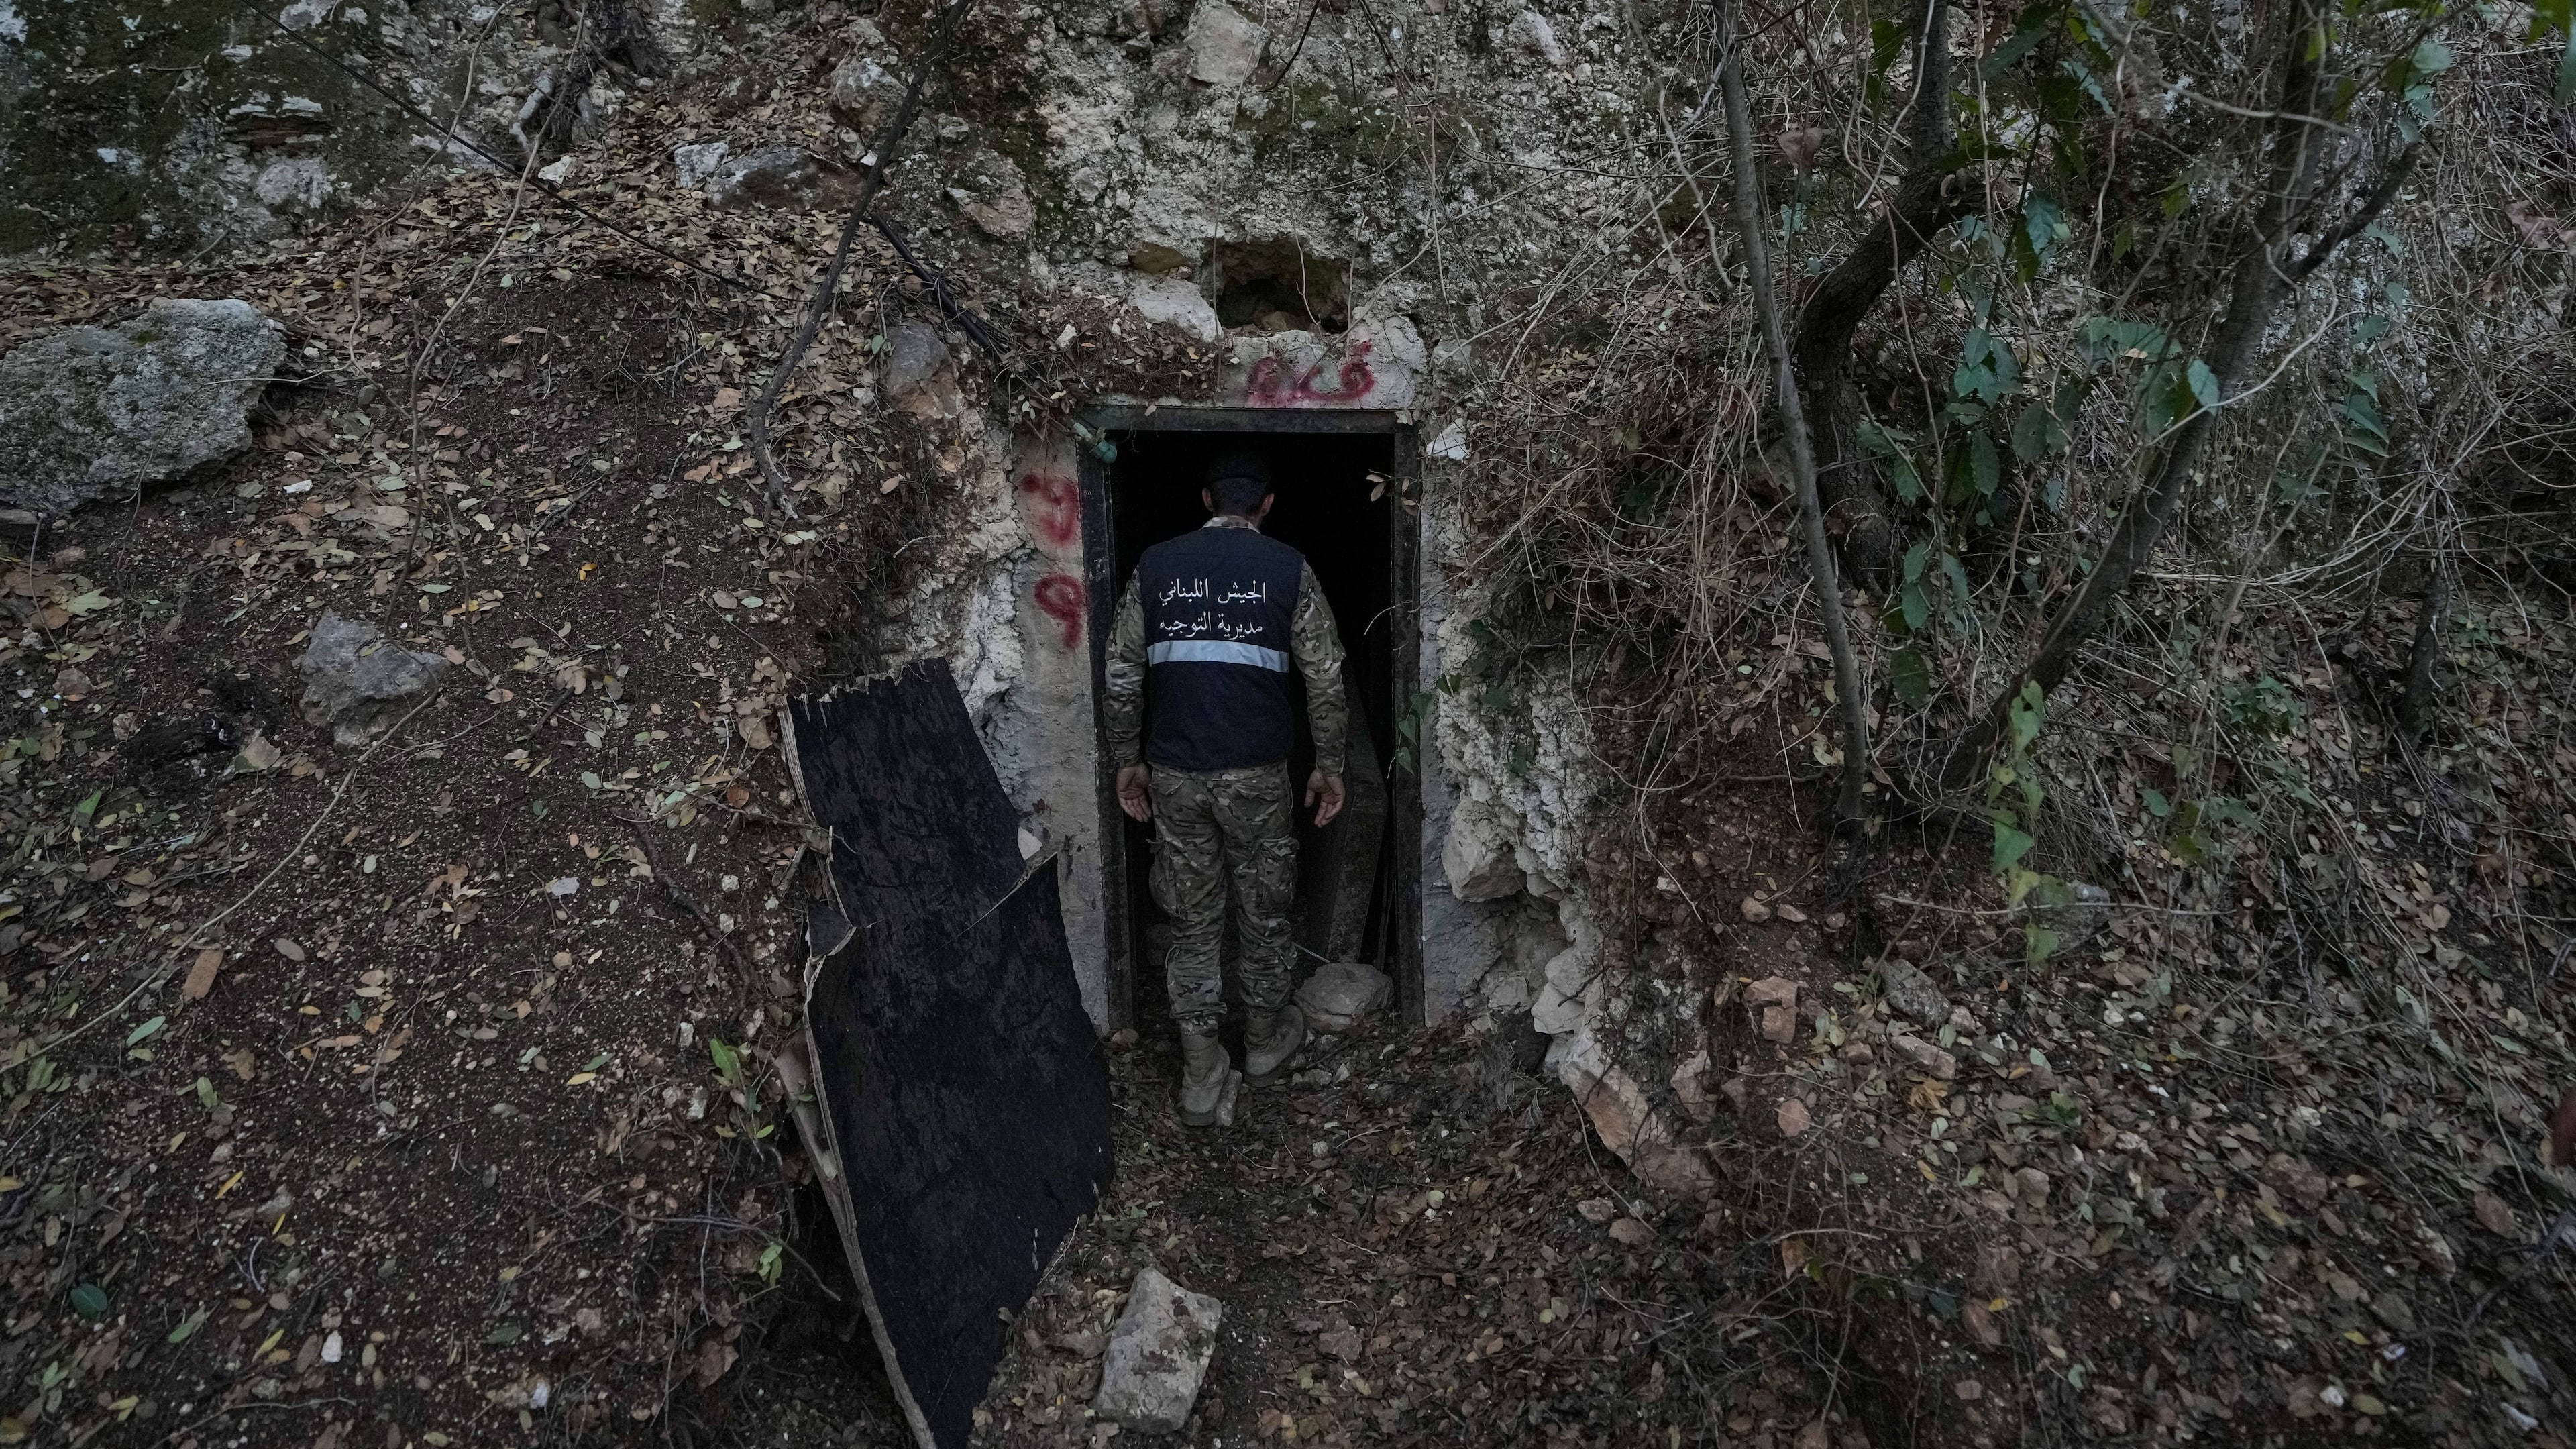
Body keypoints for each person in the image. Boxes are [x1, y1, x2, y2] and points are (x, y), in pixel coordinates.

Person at [1102, 450, 1348, 1126]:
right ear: (1267, 506)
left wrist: (1128, 758)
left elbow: (1121, 672)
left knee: (1193, 915)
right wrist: (1329, 764)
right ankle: (1266, 1044)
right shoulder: (1288, 569)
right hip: (1259, 776)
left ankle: (1202, 1071)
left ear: (1207, 500)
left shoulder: (1155, 566)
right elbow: (1325, 676)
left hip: (1176, 775)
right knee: (1264, 910)